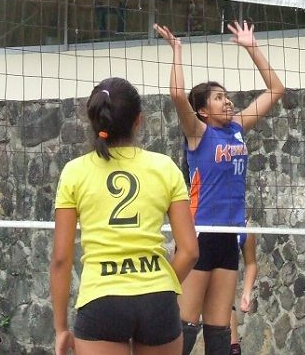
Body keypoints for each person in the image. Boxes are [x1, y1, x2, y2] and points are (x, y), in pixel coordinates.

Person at [155, 20, 284, 355]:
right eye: (218, 98)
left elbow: (275, 90)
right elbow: (176, 95)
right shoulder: (198, 134)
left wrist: (251, 46)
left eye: (227, 97)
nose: (227, 102)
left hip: (230, 236)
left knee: (219, 331)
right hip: (200, 235)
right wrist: (177, 51)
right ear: (202, 110)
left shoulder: (237, 127)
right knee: (185, 327)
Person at [50, 77, 199, 355]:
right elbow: (189, 251)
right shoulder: (164, 167)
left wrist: (60, 329)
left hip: (102, 299)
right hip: (157, 300)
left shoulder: (74, 172)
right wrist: (160, 286)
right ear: (138, 120)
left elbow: (61, 258)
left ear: (93, 120)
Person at [229, 231, 257, 355]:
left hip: (223, 303)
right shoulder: (193, 220)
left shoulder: (243, 228)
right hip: (190, 297)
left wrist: (246, 293)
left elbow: (251, 263)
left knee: (231, 349)